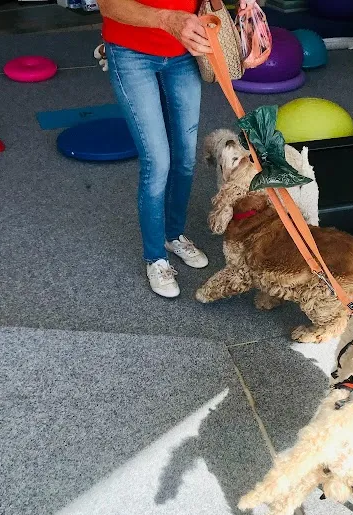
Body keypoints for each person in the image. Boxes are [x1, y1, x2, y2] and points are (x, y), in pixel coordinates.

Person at [98, 0, 213, 298]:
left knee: (186, 158)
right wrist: (168, 20)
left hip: (183, 52)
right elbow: (109, 5)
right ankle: (155, 257)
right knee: (157, 161)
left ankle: (173, 236)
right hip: (130, 52)